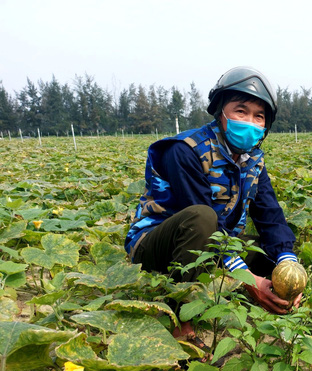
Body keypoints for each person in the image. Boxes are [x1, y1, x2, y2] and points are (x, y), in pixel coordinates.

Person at [124, 66, 301, 315]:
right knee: (202, 217)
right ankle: (181, 312)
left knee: (267, 251)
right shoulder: (185, 150)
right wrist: (249, 279)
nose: (249, 122)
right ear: (221, 112)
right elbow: (201, 220)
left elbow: (270, 215)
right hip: (157, 247)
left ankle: (264, 295)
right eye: (241, 111)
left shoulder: (253, 161)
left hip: (212, 245)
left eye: (258, 116)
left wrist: (287, 263)